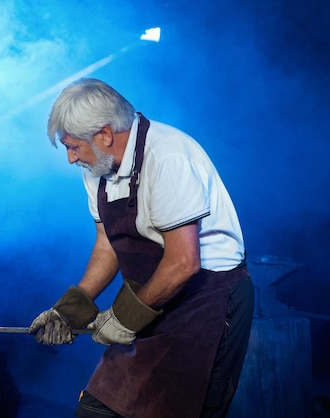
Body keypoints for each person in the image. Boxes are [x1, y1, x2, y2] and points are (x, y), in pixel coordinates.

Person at [28, 78, 254, 418]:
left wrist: (124, 319)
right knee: (97, 412)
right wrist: (72, 308)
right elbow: (107, 245)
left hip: (206, 301)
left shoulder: (167, 156)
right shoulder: (98, 167)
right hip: (151, 297)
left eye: (74, 147)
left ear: (104, 134)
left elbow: (183, 263)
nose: (71, 159)